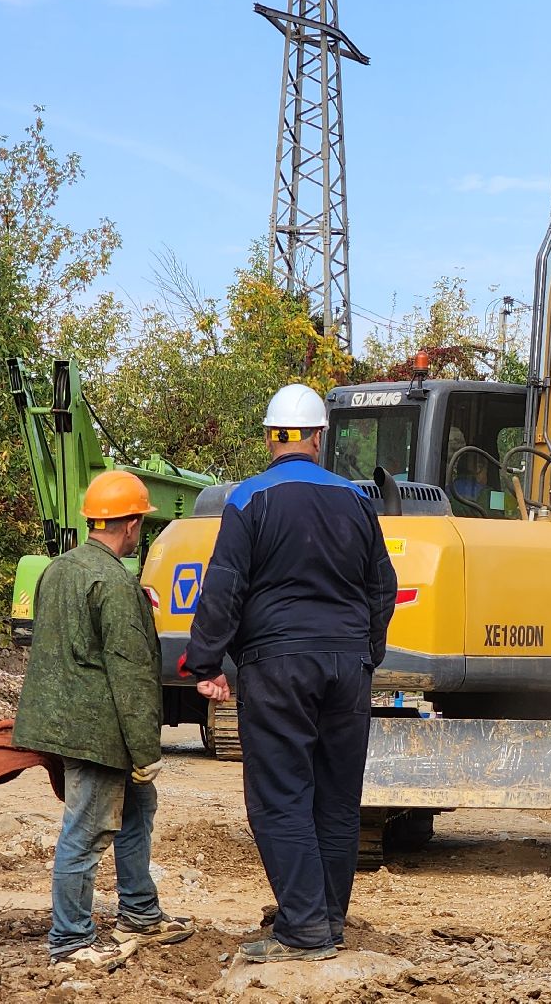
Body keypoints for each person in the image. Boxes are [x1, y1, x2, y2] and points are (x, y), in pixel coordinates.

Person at [183, 383, 397, 963]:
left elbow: (224, 586)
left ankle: (303, 929)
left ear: (270, 438)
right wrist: (366, 653)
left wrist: (205, 661)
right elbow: (382, 586)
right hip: (346, 666)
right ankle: (326, 917)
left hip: (278, 665)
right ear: (319, 438)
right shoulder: (356, 501)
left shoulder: (249, 500)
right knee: (335, 796)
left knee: (281, 796)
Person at [13, 470, 194, 971]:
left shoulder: (58, 569)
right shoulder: (115, 582)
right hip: (98, 732)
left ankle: (139, 913)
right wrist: (146, 752)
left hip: (67, 722)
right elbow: (132, 675)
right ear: (132, 523)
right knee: (86, 831)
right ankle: (70, 942)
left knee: (136, 809)